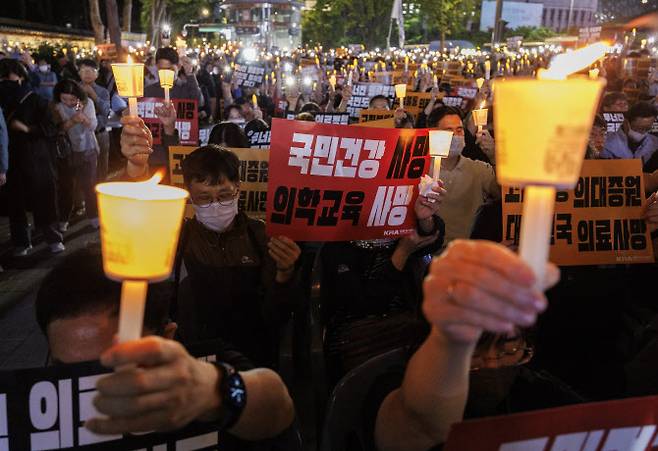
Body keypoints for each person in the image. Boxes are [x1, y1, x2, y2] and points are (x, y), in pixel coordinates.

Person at [34, 248, 297, 445]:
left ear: (167, 336)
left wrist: (217, 391)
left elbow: (276, 404)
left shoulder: (198, 376)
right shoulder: (32, 412)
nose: (89, 384)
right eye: (66, 369)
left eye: (112, 365)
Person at [120, 126, 303, 367]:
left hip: (252, 357)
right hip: (192, 357)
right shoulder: (175, 237)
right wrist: (135, 169)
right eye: (204, 198)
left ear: (238, 187)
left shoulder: (262, 237)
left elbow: (277, 315)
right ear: (189, 195)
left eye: (224, 195)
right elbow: (133, 222)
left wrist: (286, 273)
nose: (216, 205)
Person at [366, 241, 569, 451]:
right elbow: (420, 424)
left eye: (507, 347)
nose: (491, 363)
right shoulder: (397, 386)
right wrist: (451, 339)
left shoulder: (535, 391)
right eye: (476, 348)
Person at [322, 181, 446, 385]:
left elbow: (433, 236)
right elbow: (366, 306)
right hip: (356, 341)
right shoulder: (337, 245)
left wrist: (426, 218)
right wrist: (402, 253)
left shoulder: (398, 228)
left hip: (408, 333)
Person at [0, 58, 63, 255]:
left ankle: (52, 237)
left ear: (20, 75)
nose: (4, 80)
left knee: (42, 197)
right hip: (11, 156)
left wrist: (27, 128)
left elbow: (51, 128)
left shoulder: (34, 98)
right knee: (15, 200)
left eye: (7, 75)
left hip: (35, 155)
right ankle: (21, 241)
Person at [426, 106, 500, 248]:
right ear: (433, 133)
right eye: (448, 131)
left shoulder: (479, 169)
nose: (456, 135)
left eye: (459, 130)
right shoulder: (419, 170)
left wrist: (494, 156)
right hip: (428, 253)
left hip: (468, 254)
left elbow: (502, 194)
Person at [53, 79, 100, 230]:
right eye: (64, 98)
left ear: (78, 97)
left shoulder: (86, 104)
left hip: (87, 149)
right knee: (66, 187)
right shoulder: (56, 107)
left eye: (72, 99)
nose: (68, 102)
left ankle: (93, 216)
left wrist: (83, 118)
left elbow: (93, 126)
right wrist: (73, 120)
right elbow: (58, 130)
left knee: (89, 185)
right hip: (67, 152)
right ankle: (63, 218)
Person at [77, 59, 112, 181]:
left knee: (101, 170)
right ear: (79, 73)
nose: (87, 73)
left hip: (100, 133)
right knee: (81, 171)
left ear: (96, 74)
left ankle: (99, 197)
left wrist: (93, 95)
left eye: (91, 71)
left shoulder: (103, 91)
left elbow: (106, 111)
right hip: (80, 135)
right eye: (84, 70)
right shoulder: (73, 90)